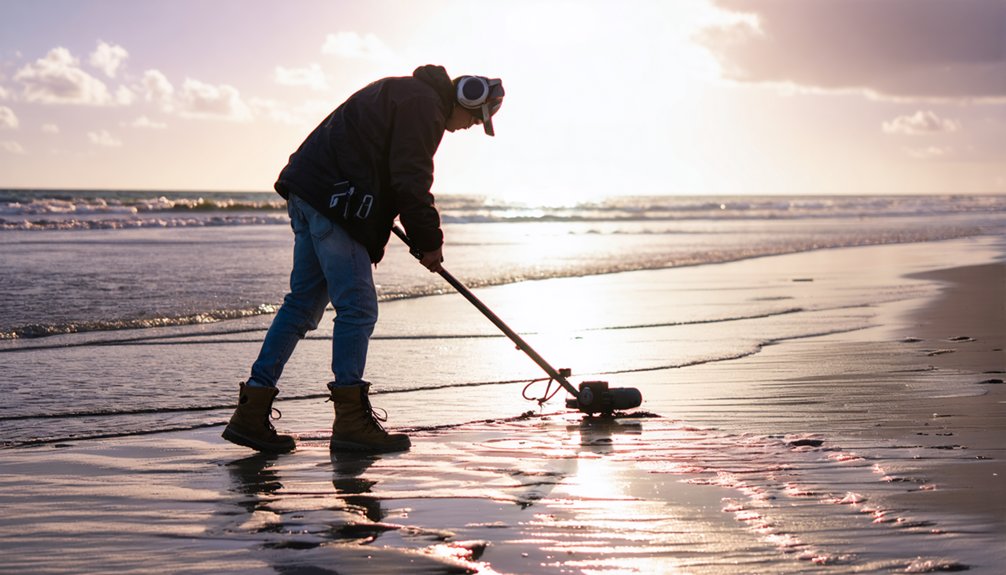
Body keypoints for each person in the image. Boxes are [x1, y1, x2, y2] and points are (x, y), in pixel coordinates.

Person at [222, 65, 504, 454]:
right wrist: (429, 240)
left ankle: (251, 413)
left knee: (301, 305)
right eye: (474, 118)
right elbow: (410, 177)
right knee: (357, 308)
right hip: (336, 204)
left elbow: (383, 169)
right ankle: (351, 422)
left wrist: (409, 234)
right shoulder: (424, 106)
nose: (469, 126)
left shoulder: (403, 93)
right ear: (466, 97)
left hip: (310, 194)